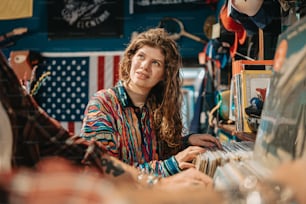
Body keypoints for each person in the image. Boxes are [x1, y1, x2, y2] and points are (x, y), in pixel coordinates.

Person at [80, 27, 222, 177]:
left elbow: (157, 152)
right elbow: (103, 170)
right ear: (131, 59)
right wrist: (171, 165)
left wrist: (186, 142)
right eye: (141, 56)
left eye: (156, 63)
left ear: (164, 75)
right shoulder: (103, 103)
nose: (144, 66)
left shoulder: (156, 107)